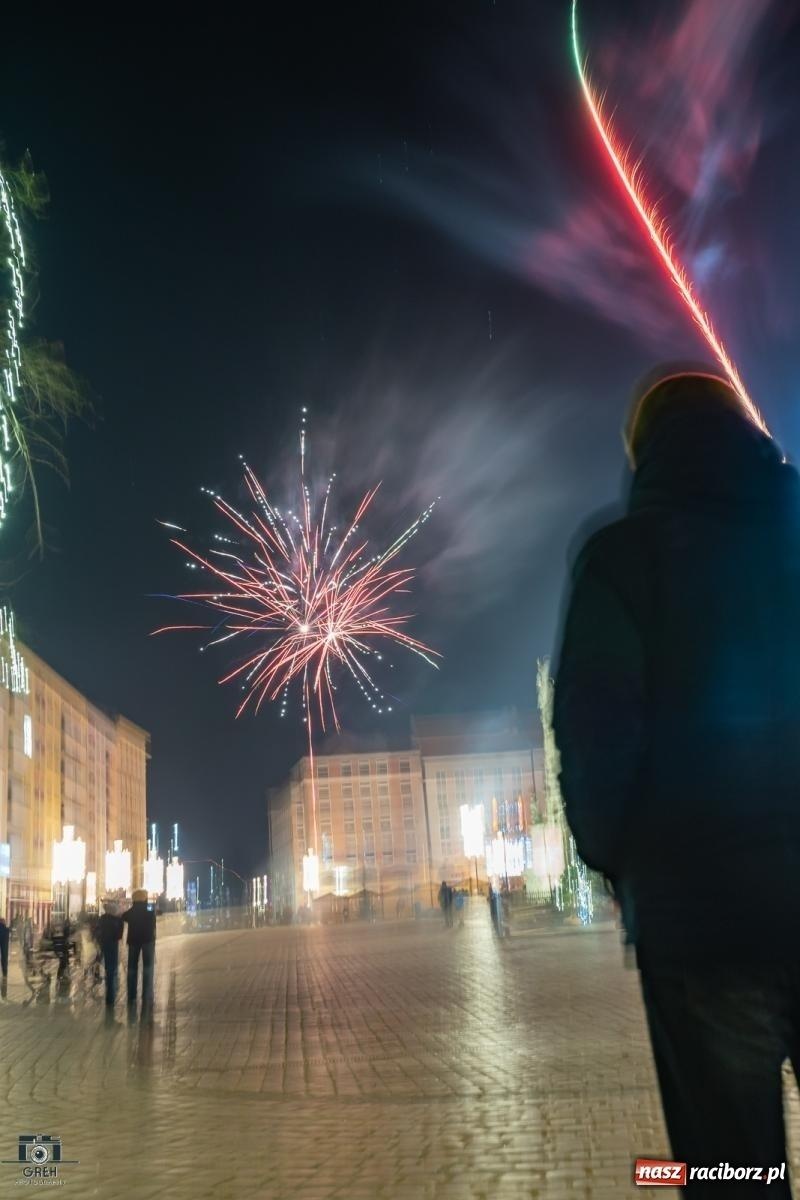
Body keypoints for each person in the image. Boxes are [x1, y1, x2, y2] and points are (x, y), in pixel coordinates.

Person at [553, 368, 800, 1197]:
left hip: (704, 916)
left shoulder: (623, 554)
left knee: (736, 1167)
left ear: (642, 450)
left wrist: (621, 863)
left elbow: (594, 734)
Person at [122, 889, 156, 1021]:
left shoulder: (132, 910)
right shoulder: (149, 908)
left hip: (134, 941)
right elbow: (154, 915)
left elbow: (124, 916)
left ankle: (131, 995)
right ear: (145, 898)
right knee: (148, 968)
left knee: (132, 969)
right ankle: (147, 995)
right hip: (147, 941)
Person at [96, 900, 124, 1010]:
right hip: (113, 944)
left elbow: (97, 931)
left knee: (108, 967)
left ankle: (109, 987)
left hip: (103, 944)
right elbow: (119, 935)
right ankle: (111, 996)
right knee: (112, 968)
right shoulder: (118, 920)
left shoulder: (102, 919)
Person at [0, 917, 8, 997]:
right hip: (4, 950)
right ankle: (4, 974)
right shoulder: (5, 929)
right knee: (4, 959)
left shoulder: (5, 929)